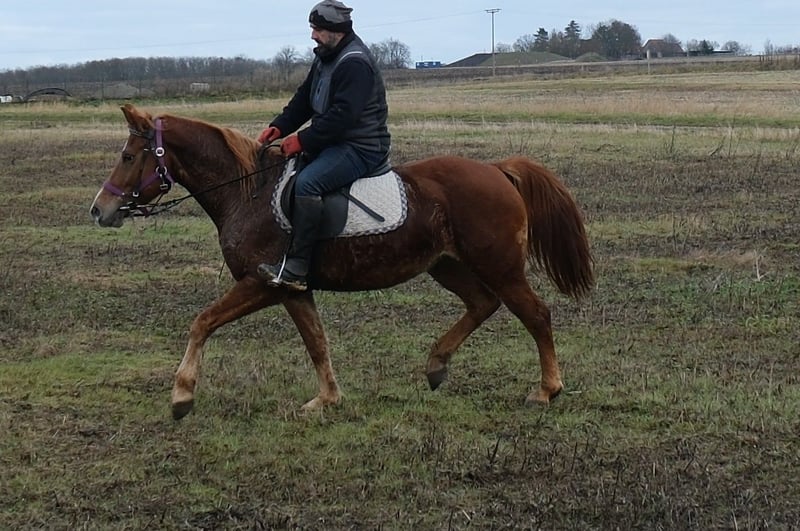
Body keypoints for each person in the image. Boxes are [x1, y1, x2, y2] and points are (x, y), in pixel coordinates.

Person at [256, 0, 391, 291]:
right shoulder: (325, 57)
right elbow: (305, 98)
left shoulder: (354, 63)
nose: (313, 35)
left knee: (307, 184)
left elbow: (343, 116)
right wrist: (279, 126)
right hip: (335, 141)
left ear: (336, 31)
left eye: (318, 29)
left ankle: (297, 268)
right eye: (312, 28)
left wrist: (302, 140)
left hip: (361, 147)